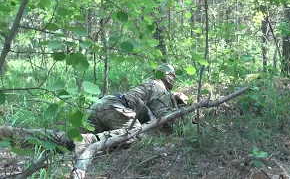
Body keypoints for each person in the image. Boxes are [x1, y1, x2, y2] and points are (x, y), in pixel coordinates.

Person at [0, 63, 188, 156]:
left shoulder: (149, 83)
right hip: (117, 108)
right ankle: (92, 140)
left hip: (104, 104)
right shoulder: (160, 87)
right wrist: (182, 114)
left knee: (67, 140)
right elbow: (164, 120)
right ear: (169, 77)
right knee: (139, 136)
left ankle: (18, 134)